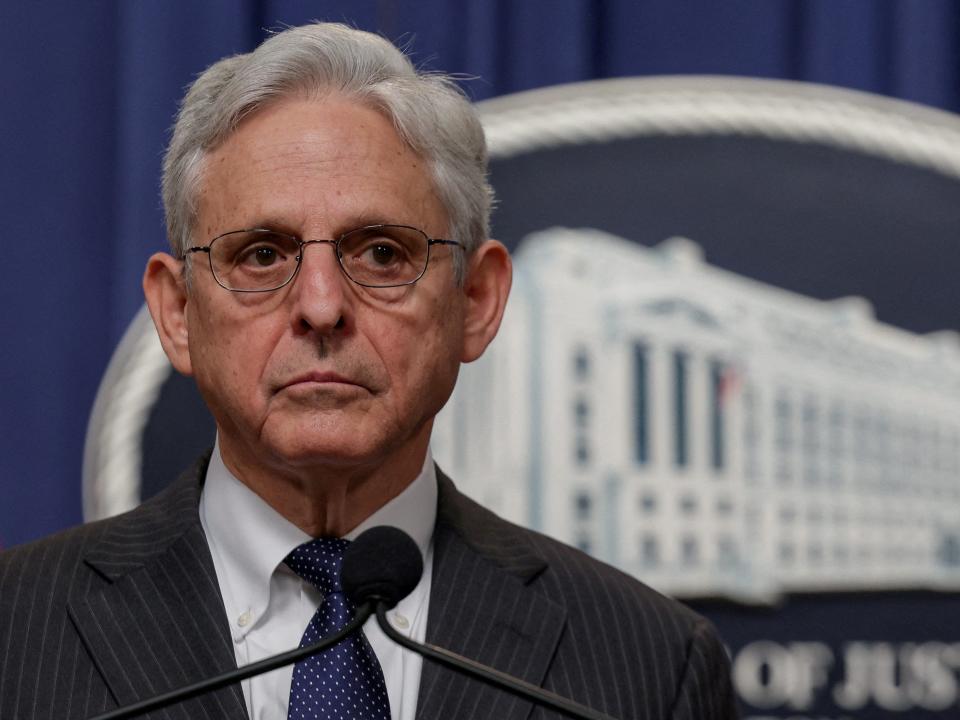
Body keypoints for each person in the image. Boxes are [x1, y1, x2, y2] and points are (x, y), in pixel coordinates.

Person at [0, 22, 737, 720]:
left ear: (476, 302)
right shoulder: (14, 634)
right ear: (176, 313)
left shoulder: (649, 666)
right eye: (261, 254)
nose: (321, 307)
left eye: (382, 253)